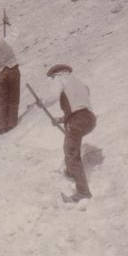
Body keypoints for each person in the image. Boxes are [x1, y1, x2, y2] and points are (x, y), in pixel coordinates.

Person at [47, 64, 97, 203]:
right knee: (70, 147)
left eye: (52, 77)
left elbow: (53, 96)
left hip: (77, 121)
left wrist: (43, 102)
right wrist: (62, 120)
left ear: (57, 74)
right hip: (89, 118)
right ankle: (71, 171)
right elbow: (79, 105)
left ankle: (83, 192)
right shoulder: (78, 81)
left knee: (71, 152)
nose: (52, 79)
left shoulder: (60, 80)